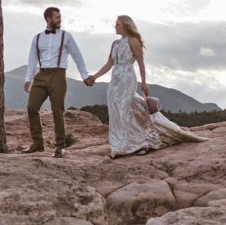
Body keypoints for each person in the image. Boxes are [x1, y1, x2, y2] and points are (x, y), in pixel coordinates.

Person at [86, 15, 205, 158]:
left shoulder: (133, 41)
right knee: (115, 110)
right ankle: (119, 145)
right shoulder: (115, 44)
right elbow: (109, 64)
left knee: (124, 110)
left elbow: (141, 63)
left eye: (117, 24)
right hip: (115, 81)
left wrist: (144, 83)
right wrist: (95, 76)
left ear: (125, 25)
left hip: (127, 79)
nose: (115, 27)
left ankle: (140, 143)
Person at [23, 6, 90, 158]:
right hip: (41, 75)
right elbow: (32, 59)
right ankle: (37, 143)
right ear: (48, 19)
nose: (60, 20)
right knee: (32, 107)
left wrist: (84, 75)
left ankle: (60, 146)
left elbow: (77, 56)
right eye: (57, 17)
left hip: (58, 75)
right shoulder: (37, 38)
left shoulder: (66, 36)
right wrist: (28, 78)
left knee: (57, 111)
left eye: (60, 17)